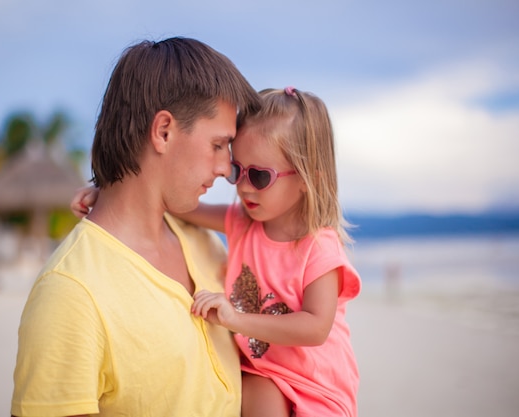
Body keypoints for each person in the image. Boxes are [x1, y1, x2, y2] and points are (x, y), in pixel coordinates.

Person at [10, 36, 261, 417]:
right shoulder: (71, 294)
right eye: (218, 145)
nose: (228, 168)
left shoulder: (206, 244)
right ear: (163, 131)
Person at [73, 87, 362, 417]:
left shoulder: (318, 246)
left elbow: (315, 328)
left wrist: (236, 320)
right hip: (262, 373)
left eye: (260, 176)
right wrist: (107, 195)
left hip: (317, 384)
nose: (243, 187)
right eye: (238, 170)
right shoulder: (242, 222)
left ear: (307, 179)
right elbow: (174, 205)